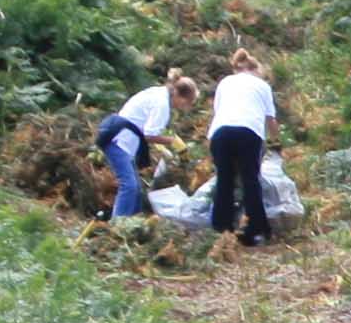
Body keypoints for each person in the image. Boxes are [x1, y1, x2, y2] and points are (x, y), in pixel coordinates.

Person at [206, 52, 281, 247]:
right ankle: (255, 230)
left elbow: (218, 112)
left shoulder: (225, 82)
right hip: (248, 132)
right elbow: (271, 120)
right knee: (250, 180)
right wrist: (277, 142)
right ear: (256, 70)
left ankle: (221, 228)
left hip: (220, 133)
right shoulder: (262, 85)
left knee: (224, 180)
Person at [97, 69, 193, 221]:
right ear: (179, 96)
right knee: (129, 186)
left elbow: (148, 128)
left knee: (136, 189)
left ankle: (134, 221)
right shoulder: (162, 104)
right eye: (186, 103)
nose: (184, 107)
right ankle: (117, 225)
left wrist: (166, 143)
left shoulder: (159, 93)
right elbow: (149, 135)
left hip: (123, 140)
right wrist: (172, 142)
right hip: (118, 141)